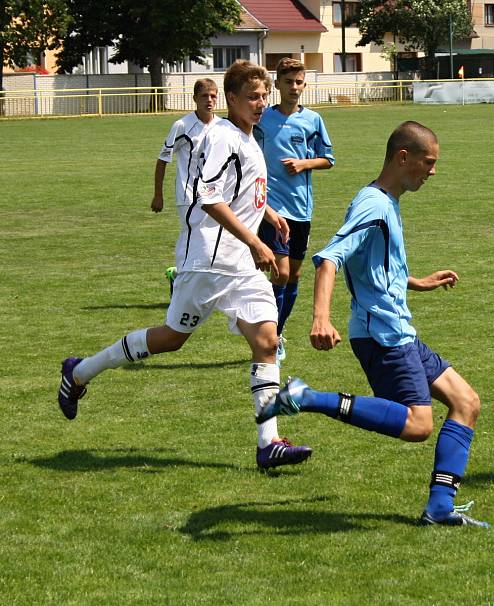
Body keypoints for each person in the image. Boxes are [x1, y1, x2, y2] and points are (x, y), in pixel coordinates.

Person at [58, 60, 312, 470]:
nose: (260, 103)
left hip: (239, 267)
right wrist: (255, 242)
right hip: (208, 259)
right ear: (231, 99)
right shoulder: (222, 138)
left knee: (267, 341)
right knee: (172, 338)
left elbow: (241, 192)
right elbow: (209, 198)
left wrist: (269, 215)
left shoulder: (249, 138)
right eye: (252, 97)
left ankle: (269, 443)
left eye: (264, 95)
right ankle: (80, 371)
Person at [257, 121, 489, 527]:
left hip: (399, 331)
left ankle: (439, 508)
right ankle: (309, 397)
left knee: (466, 402)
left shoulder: (385, 200)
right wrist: (320, 317)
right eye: (428, 162)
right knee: (418, 424)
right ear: (404, 158)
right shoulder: (374, 204)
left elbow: (373, 264)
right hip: (382, 337)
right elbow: (329, 259)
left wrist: (415, 281)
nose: (432, 171)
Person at [256, 58, 335, 364]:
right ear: (277, 85)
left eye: (299, 82)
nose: (294, 87)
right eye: (288, 82)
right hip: (272, 207)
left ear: (304, 84)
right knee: (282, 271)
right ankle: (271, 337)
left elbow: (328, 158)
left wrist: (304, 163)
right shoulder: (263, 118)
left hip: (302, 208)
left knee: (294, 276)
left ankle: (277, 329)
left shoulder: (313, 120)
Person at [151, 78, 221, 295]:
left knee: (211, 243)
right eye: (204, 96)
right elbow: (163, 160)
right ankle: (180, 280)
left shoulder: (222, 126)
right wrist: (158, 195)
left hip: (214, 196)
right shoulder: (182, 125)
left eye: (213, 95)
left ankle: (189, 282)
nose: (209, 100)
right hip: (188, 195)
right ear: (194, 99)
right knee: (192, 240)